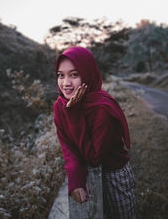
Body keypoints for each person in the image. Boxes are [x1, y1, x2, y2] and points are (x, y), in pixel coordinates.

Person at [53, 46, 137, 218]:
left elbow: (93, 158)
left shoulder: (101, 109)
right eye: (61, 75)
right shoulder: (60, 106)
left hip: (114, 174)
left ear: (87, 74)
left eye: (74, 74)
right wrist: (75, 179)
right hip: (89, 174)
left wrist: (73, 113)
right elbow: (68, 146)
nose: (66, 83)